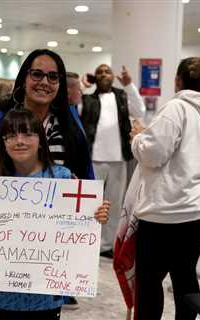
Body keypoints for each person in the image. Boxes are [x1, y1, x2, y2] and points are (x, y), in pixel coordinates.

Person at [0, 49, 94, 320]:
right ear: (23, 78)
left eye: (53, 76)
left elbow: (85, 186)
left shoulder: (71, 130)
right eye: (37, 73)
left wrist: (91, 214)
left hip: (45, 254)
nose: (44, 82)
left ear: (59, 85)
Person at [126, 57, 200, 320]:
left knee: (149, 281)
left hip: (166, 211)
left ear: (178, 80)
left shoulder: (175, 108)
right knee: (185, 275)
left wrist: (137, 139)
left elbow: (153, 155)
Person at [80, 64, 145, 258]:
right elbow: (72, 105)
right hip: (93, 158)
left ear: (112, 76)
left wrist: (130, 85)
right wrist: (83, 85)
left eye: (106, 71)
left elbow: (139, 110)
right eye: (99, 72)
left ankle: (107, 245)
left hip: (118, 159)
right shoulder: (87, 98)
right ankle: (89, 241)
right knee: (92, 204)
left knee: (114, 204)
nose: (102, 74)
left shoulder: (122, 96)